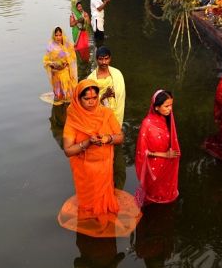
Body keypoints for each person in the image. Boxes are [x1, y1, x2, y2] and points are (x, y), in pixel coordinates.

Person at [58, 79, 141, 238]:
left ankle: (102, 222)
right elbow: (68, 150)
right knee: (89, 204)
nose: (91, 102)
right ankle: (92, 221)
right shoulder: (74, 118)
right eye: (86, 99)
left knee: (104, 204)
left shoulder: (106, 113)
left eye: (94, 98)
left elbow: (120, 137)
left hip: (104, 166)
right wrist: (87, 143)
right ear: (78, 99)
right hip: (85, 170)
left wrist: (108, 139)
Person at [134, 90, 181, 206]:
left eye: (171, 105)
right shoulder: (147, 124)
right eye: (166, 106)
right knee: (153, 198)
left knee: (166, 196)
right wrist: (164, 155)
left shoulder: (167, 119)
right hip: (154, 166)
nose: (170, 109)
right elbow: (143, 152)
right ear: (156, 107)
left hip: (168, 163)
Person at [87, 46, 126, 126]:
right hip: (99, 112)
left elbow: (121, 94)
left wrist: (114, 93)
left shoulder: (117, 74)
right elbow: (88, 99)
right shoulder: (91, 78)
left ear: (110, 59)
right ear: (96, 59)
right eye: (101, 59)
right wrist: (104, 96)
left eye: (106, 59)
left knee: (115, 132)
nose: (104, 62)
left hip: (115, 110)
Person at [43, 27, 78, 104]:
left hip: (65, 71)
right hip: (55, 73)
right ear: (53, 36)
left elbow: (72, 57)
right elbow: (46, 61)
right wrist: (52, 64)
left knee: (68, 96)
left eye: (60, 35)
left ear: (62, 35)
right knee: (58, 96)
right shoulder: (50, 47)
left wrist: (65, 64)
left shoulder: (67, 45)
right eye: (56, 35)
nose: (58, 37)